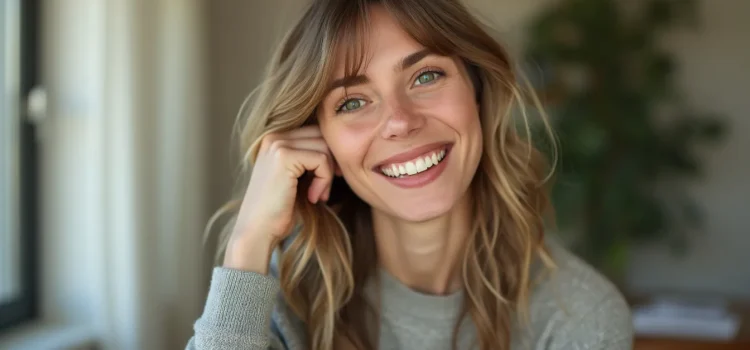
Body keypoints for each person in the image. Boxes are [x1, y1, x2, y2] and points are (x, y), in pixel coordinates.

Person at [187, 0, 632, 349]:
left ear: (477, 90)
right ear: (320, 141)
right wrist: (247, 244)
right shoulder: (278, 297)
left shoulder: (579, 317)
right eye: (353, 102)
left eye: (426, 76)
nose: (400, 121)